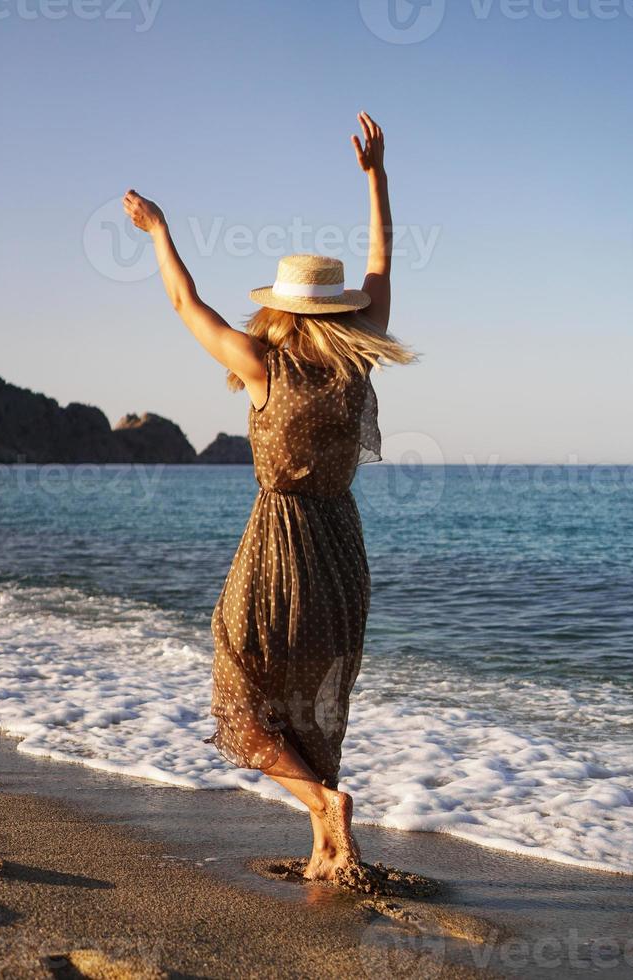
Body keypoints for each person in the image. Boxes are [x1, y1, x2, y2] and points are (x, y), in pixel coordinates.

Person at [122, 111, 416, 881]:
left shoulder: (262, 363)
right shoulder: (356, 363)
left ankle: (324, 808)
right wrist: (377, 178)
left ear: (280, 306)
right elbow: (383, 263)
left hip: (279, 541)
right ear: (336, 305)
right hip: (343, 548)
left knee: (240, 700)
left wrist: (158, 231)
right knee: (318, 696)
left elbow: (188, 306)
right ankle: (325, 844)